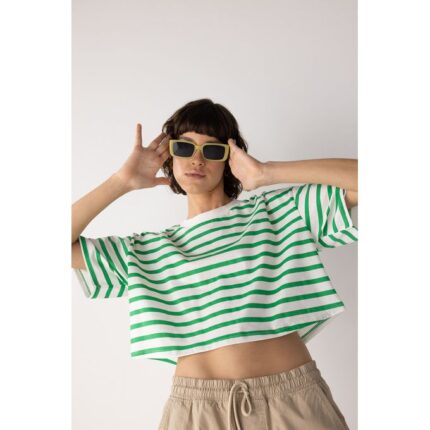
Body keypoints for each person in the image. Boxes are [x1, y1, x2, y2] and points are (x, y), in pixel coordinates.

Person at [72, 98, 358, 429]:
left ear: (229, 159)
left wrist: (266, 173)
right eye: (184, 147)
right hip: (197, 414)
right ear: (169, 156)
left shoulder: (280, 212)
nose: (197, 159)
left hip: (290, 402)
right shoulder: (147, 251)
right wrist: (121, 181)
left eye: (212, 150)